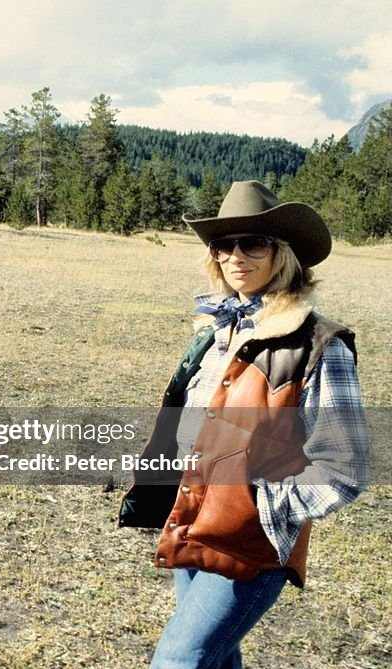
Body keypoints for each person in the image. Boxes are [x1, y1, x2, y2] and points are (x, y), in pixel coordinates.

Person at [117, 181, 369, 668]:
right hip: (194, 519)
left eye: (253, 243)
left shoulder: (320, 345)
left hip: (252, 543)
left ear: (284, 254)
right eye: (223, 245)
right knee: (215, 657)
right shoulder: (218, 332)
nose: (236, 256)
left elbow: (344, 467)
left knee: (179, 659)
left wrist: (262, 503)